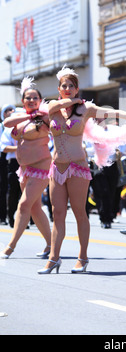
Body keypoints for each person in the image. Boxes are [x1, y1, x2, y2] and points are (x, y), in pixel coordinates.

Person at [38, 66, 126, 275]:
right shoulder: (52, 107)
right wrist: (72, 101)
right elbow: (57, 104)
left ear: (78, 88)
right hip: (57, 168)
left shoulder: (85, 109)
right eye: (64, 86)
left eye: (72, 86)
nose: (68, 88)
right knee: (58, 213)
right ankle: (54, 258)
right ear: (59, 88)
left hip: (78, 167)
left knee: (80, 212)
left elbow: (112, 113)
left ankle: (83, 257)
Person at [0, 78, 51, 260]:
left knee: (23, 205)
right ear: (23, 101)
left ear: (40, 100)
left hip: (42, 166)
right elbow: (6, 123)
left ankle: (11, 246)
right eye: (28, 98)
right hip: (25, 169)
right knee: (35, 208)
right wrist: (30, 115)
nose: (31, 101)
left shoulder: (45, 116)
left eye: (35, 98)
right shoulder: (21, 117)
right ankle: (51, 245)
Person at [0, 104, 16, 225]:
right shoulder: (2, 127)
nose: (11, 112)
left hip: (12, 159)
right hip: (2, 159)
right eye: (7, 110)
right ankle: (3, 216)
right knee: (3, 188)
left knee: (13, 188)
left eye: (12, 110)